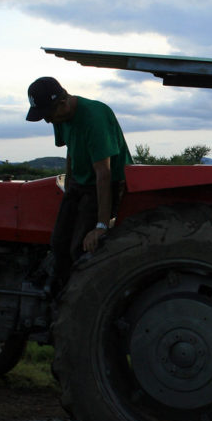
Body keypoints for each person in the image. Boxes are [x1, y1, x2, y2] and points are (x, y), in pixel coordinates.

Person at [26, 77, 132, 289]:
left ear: (63, 101)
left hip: (105, 184)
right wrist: (69, 188)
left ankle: (81, 298)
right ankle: (57, 290)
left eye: (48, 115)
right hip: (79, 182)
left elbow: (104, 173)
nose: (47, 121)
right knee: (58, 242)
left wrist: (101, 226)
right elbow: (71, 152)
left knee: (81, 247)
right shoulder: (60, 118)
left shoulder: (94, 117)